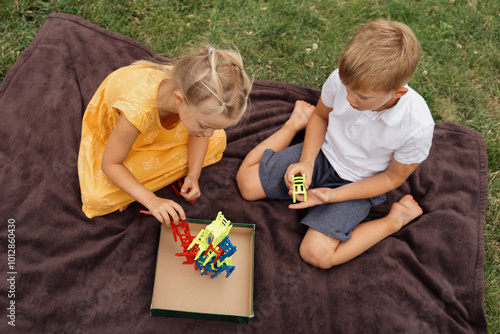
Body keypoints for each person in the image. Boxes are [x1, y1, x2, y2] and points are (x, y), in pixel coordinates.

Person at [236, 19, 434, 269]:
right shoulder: (341, 80)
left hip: (359, 183)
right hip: (323, 155)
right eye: (347, 88)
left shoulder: (417, 127)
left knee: (316, 254)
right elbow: (319, 116)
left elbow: (391, 179)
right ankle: (293, 124)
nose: (349, 98)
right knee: (247, 185)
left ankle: (394, 221)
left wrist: (333, 196)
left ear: (397, 92)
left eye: (362, 96)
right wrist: (307, 162)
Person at [78, 44, 252, 224]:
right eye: (204, 125)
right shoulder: (138, 110)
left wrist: (193, 174)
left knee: (218, 141)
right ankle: (131, 189)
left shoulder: (192, 91)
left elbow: (203, 133)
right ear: (179, 100)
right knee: (96, 197)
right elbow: (111, 163)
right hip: (120, 135)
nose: (208, 134)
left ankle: (129, 188)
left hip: (155, 130)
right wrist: (152, 200)